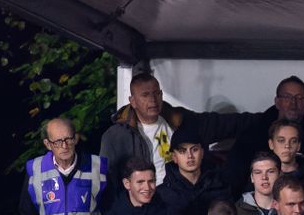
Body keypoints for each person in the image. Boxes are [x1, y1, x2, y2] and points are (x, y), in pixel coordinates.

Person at [101, 72, 254, 187]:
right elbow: (106, 178)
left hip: (179, 197)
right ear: (133, 101)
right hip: (143, 204)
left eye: (156, 93)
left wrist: (266, 117)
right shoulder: (116, 136)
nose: (153, 100)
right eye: (145, 95)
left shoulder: (179, 120)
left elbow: (225, 124)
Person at [157, 127, 231, 215]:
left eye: (194, 149)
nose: (190, 156)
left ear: (202, 153)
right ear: (174, 157)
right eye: (182, 151)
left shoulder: (220, 186)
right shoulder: (163, 194)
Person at [235, 151, 280, 215]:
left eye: (270, 171)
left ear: (279, 175)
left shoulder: (291, 208)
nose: (264, 177)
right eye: (258, 172)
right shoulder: (237, 211)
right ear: (252, 177)